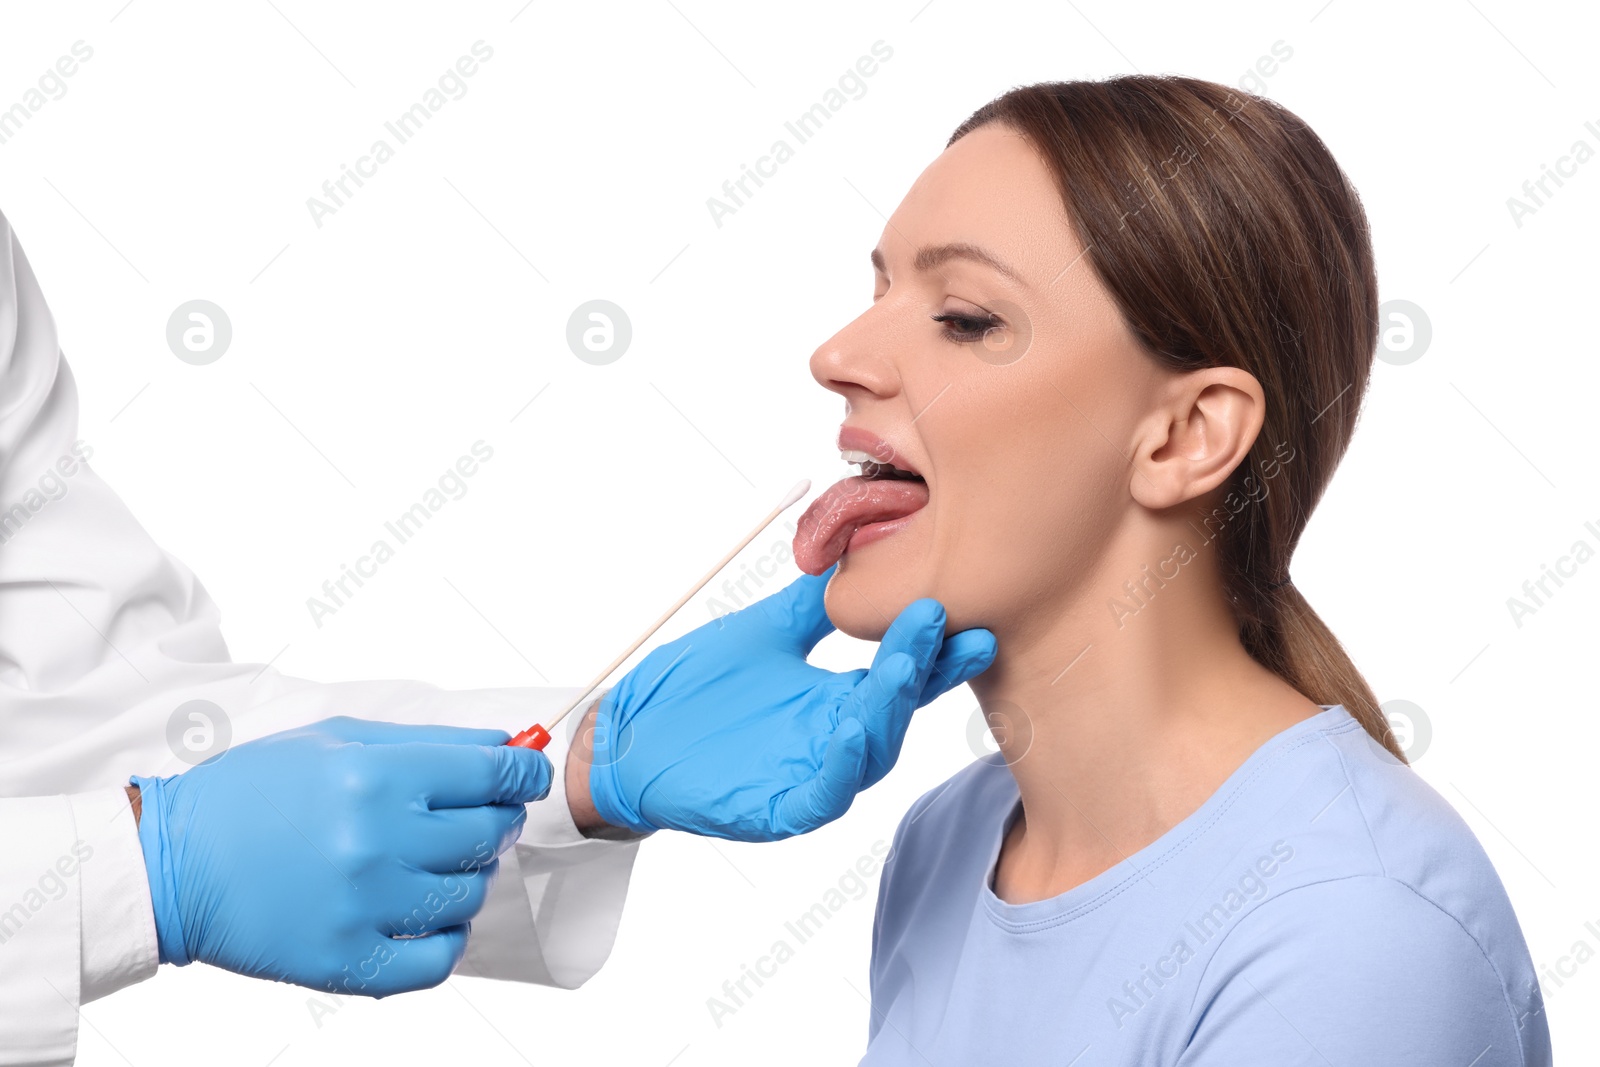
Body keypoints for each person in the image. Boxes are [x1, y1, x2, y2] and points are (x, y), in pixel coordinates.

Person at [0, 209, 998, 1067]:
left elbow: (83, 707)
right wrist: (140, 871)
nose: (834, 357)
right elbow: (140, 816)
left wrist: (580, 763)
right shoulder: (952, 866)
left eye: (966, 316)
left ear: (1166, 438)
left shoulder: (970, 856)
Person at [784, 76, 1553, 1064]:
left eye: (965, 317)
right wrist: (585, 783)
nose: (836, 354)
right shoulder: (951, 838)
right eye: (880, 289)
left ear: (1187, 435)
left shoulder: (1350, 929)